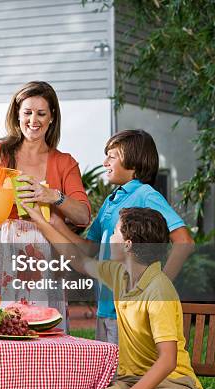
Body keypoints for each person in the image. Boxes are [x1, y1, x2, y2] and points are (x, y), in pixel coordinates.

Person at [21, 204, 204, 389]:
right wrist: (40, 221)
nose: (108, 238)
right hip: (130, 380)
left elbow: (168, 361)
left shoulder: (159, 290)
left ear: (127, 245)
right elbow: (79, 261)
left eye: (114, 232)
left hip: (173, 384)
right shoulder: (118, 273)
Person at [0, 81, 91, 330]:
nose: (33, 120)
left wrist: (51, 195)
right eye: (27, 112)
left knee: (40, 336)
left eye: (41, 113)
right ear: (17, 114)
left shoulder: (64, 163)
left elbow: (83, 215)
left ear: (52, 117)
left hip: (42, 256)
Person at [55, 129, 194, 345]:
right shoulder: (111, 201)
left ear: (134, 162)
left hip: (130, 312)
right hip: (106, 308)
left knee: (128, 376)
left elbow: (184, 242)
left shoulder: (146, 195)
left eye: (112, 156)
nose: (104, 162)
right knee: (109, 376)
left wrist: (156, 288)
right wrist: (54, 223)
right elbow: (88, 250)